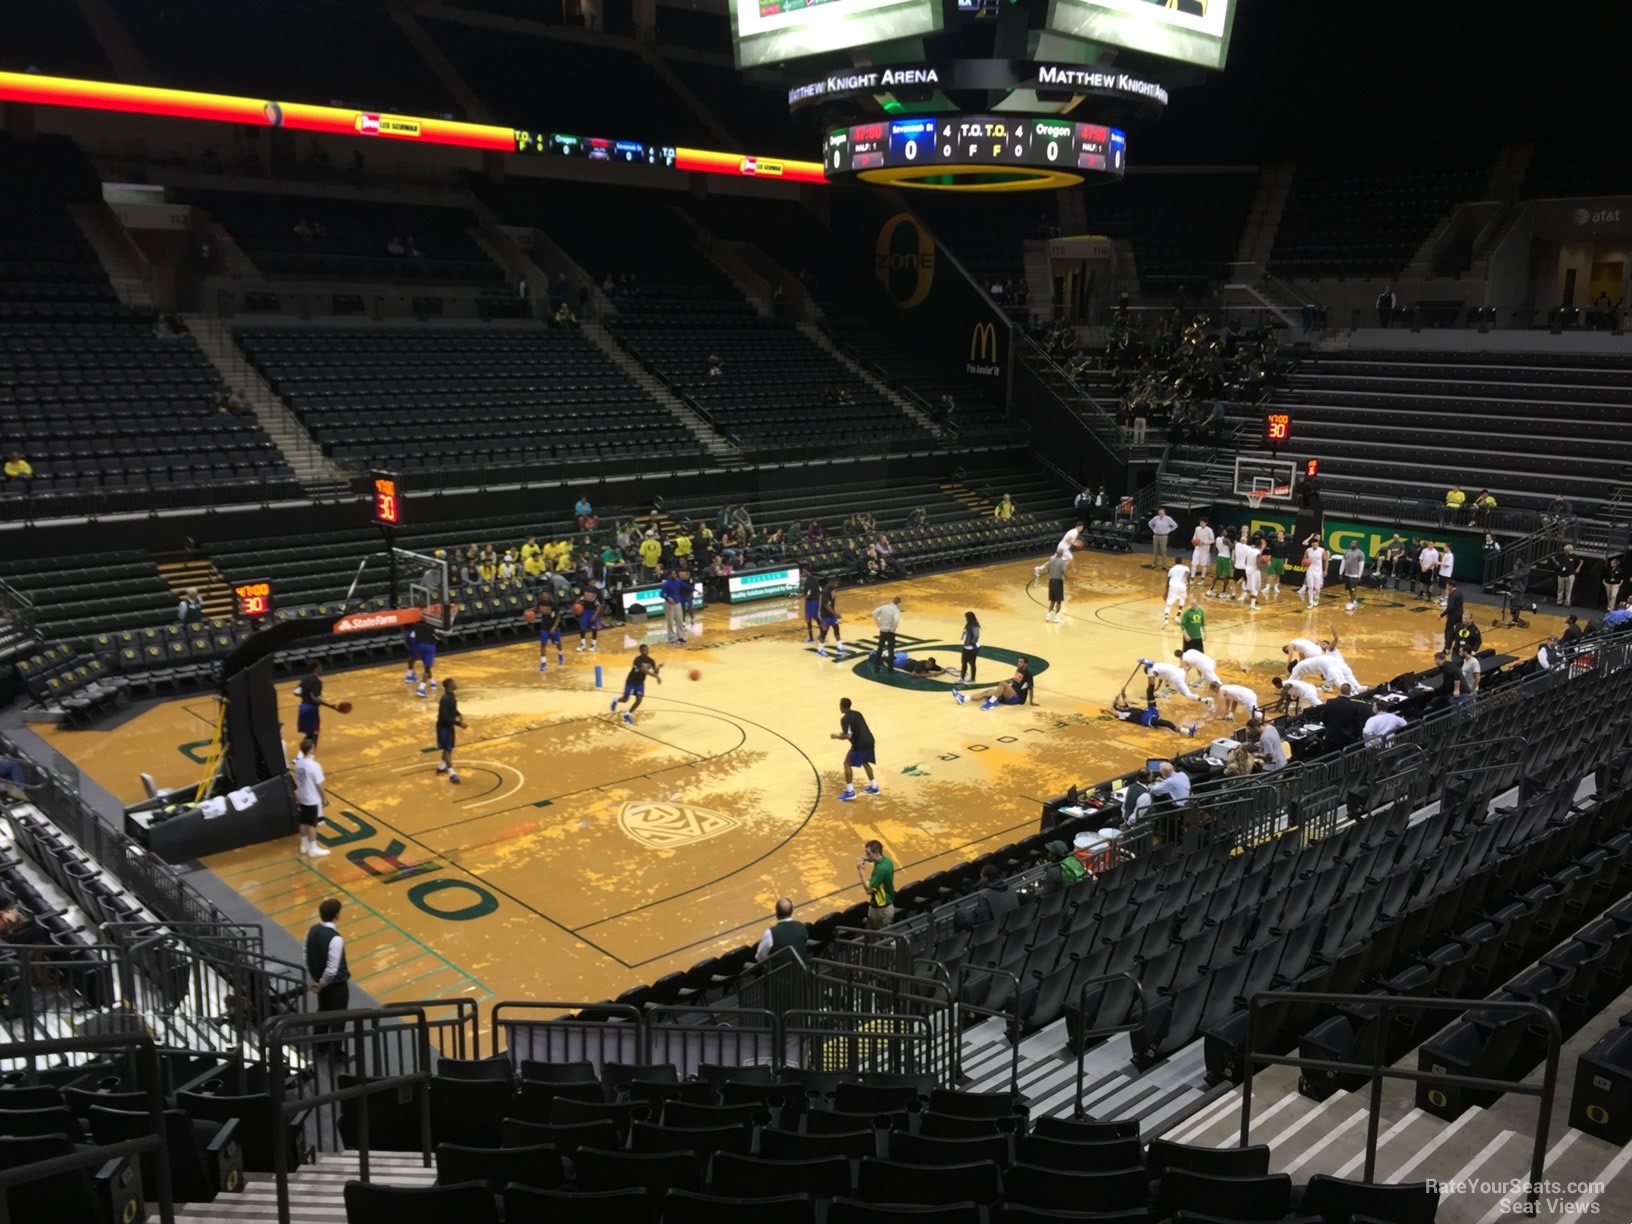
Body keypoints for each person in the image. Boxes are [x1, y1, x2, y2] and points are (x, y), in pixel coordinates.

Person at [305, 898, 350, 1048]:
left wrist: (314, 979)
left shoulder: (312, 930)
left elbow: (306, 954)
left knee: (323, 1012)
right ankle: (336, 1051)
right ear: (336, 915)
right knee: (338, 1019)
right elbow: (332, 969)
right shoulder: (335, 938)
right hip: (335, 985)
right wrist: (322, 984)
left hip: (319, 980)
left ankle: (320, 1045)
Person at [833, 699, 878, 801]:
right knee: (865, 762)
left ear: (842, 706)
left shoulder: (844, 719)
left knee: (847, 764)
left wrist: (836, 736)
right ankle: (874, 787)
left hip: (859, 744)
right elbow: (856, 728)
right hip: (870, 739)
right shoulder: (858, 713)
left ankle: (850, 792)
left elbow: (847, 735)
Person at [292, 737, 330, 858]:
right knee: (312, 824)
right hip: (312, 798)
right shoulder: (314, 766)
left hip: (302, 795)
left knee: (303, 821)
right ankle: (313, 849)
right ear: (311, 750)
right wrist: (324, 798)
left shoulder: (298, 763)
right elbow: (319, 784)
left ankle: (304, 845)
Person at [1110, 681, 1192, 735]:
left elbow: (1124, 697)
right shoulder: (1121, 714)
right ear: (1117, 706)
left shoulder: (1127, 708)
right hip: (1147, 719)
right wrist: (1114, 700)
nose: (1121, 701)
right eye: (1119, 702)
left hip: (1150, 711)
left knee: (1150, 694)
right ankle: (1187, 731)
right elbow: (1110, 709)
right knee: (1167, 723)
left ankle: (1150, 677)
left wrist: (1122, 691)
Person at [954, 865, 1020, 931]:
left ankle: (960, 939)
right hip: (1012, 922)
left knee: (959, 911)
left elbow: (982, 919)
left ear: (985, 878)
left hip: (994, 928)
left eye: (981, 877)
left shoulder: (984, 894)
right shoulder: (1010, 887)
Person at [294, 661, 342, 750]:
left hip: (303, 707)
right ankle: (308, 755)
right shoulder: (316, 681)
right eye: (320, 667)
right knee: (314, 733)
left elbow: (296, 692)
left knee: (309, 734)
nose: (322, 669)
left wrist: (305, 695)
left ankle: (300, 757)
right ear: (316, 668)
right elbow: (315, 699)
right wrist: (330, 706)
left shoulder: (305, 679)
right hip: (311, 709)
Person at [610, 644, 661, 724]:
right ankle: (615, 700)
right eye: (644, 650)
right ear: (640, 651)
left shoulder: (651, 661)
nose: (646, 652)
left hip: (640, 682)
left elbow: (655, 672)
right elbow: (644, 670)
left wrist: (657, 668)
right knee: (625, 699)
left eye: (647, 650)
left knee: (639, 700)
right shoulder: (637, 660)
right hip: (631, 681)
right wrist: (656, 677)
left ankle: (627, 714)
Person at [754, 898, 808, 964]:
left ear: (776, 913)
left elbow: (760, 957)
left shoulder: (770, 933)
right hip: (801, 971)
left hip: (779, 973)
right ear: (792, 911)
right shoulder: (801, 926)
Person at [433, 678, 466, 783]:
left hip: (448, 726)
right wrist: (459, 724)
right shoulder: (445, 699)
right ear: (449, 686)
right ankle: (452, 774)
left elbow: (452, 709)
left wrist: (458, 714)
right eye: (453, 683)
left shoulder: (451, 696)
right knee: (448, 750)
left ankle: (441, 768)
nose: (455, 684)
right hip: (444, 728)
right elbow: (445, 717)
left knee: (448, 748)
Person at [857, 839, 895, 928]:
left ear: (877, 853)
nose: (866, 856)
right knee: (883, 935)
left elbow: (869, 890)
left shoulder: (880, 869)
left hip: (880, 908)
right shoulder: (887, 861)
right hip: (887, 904)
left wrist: (861, 872)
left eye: (868, 854)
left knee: (877, 936)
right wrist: (869, 859)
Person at [815, 580, 848, 658]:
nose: (837, 583)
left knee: (836, 628)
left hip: (831, 615)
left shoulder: (832, 589)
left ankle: (839, 647)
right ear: (831, 582)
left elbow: (831, 603)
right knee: (824, 632)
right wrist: (835, 614)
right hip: (825, 615)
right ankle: (820, 650)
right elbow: (826, 605)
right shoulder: (825, 591)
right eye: (836, 582)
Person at [872, 596, 903, 673]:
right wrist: (892, 630)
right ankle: (890, 669)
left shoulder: (884, 607)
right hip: (890, 632)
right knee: (891, 650)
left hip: (882, 631)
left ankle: (876, 667)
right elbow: (896, 621)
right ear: (899, 603)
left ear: (892, 600)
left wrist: (878, 624)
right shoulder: (896, 610)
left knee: (880, 648)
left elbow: (874, 613)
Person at [536, 592, 565, 671]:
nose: (544, 596)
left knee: (558, 644)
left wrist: (554, 627)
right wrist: (529, 612)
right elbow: (537, 610)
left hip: (553, 627)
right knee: (543, 645)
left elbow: (558, 617)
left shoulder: (553, 604)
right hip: (544, 627)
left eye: (545, 594)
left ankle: (560, 655)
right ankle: (543, 663)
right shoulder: (540, 603)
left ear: (548, 595)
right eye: (542, 595)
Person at [660, 570, 688, 645]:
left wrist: (694, 589)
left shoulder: (678, 581)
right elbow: (661, 594)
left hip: (677, 603)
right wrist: (667, 598)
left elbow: (686, 586)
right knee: (670, 622)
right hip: (669, 605)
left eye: (675, 573)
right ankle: (671, 638)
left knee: (680, 620)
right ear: (669, 575)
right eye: (673, 574)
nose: (675, 575)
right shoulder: (666, 583)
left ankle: (680, 637)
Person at [1207, 530, 1236, 600]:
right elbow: (1232, 547)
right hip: (1225, 558)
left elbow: (1214, 550)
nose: (1226, 532)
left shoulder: (1217, 539)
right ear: (1222, 532)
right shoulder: (1226, 539)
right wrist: (1236, 543)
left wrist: (1219, 554)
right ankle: (1223, 592)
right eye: (1225, 531)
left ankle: (1210, 590)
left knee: (1217, 575)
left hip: (1219, 557)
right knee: (1226, 576)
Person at [1043, 548, 1070, 623]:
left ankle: (1048, 616)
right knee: (1059, 600)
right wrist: (1070, 580)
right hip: (1058, 582)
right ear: (1061, 554)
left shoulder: (1051, 560)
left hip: (1051, 581)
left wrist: (1051, 574)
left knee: (1052, 600)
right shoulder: (1062, 562)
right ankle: (1057, 618)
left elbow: (1048, 569)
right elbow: (1064, 573)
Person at [413, 622, 439, 699]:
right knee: (427, 668)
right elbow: (438, 635)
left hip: (419, 646)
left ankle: (432, 682)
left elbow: (413, 636)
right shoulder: (432, 624)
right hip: (429, 646)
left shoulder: (415, 624)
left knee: (426, 667)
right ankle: (421, 689)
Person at [1162, 559, 1190, 626]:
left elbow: (1168, 581)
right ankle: (1177, 618)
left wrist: (1166, 592)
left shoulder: (1171, 569)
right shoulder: (1186, 568)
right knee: (1181, 603)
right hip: (1182, 587)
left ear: (1175, 562)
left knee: (1168, 604)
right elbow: (1188, 575)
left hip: (1173, 587)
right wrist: (1189, 585)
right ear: (1181, 562)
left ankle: (1166, 620)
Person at [1302, 535, 1327, 609]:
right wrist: (1304, 564)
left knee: (1317, 588)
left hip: (1318, 571)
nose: (1315, 545)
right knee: (1310, 587)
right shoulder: (1308, 550)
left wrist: (1325, 570)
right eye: (1313, 544)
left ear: (1318, 544)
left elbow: (1326, 561)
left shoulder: (1322, 550)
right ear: (1311, 544)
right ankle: (1310, 602)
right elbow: (1304, 559)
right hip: (1310, 570)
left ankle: (1317, 597)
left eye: (1316, 544)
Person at [576, 582, 602, 653]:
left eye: (594, 582)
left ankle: (593, 644)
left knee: (594, 629)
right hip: (586, 611)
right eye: (591, 582)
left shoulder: (597, 592)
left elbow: (599, 605)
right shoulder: (585, 590)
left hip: (594, 611)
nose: (592, 584)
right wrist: (576, 605)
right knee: (582, 628)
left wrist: (595, 615)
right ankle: (583, 644)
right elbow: (579, 599)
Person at [1440, 579, 1465, 652]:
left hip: (1452, 617)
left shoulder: (1452, 595)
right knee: (1457, 633)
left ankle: (1446, 649)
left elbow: (1450, 608)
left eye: (1447, 585)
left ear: (1450, 586)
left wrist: (1442, 615)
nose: (1447, 587)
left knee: (1448, 633)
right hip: (1460, 616)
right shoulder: (1460, 593)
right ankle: (1458, 648)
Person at [1340, 541, 1366, 611]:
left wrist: (1359, 575)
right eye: (1351, 543)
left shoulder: (1361, 553)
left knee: (1353, 589)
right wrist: (1341, 572)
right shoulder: (1347, 552)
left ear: (1357, 545)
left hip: (1354, 575)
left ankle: (1352, 604)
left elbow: (1361, 565)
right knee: (1349, 589)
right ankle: (1353, 601)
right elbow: (1343, 562)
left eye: (1354, 543)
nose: (1352, 544)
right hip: (1347, 574)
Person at [959, 611, 981, 682]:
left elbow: (976, 636)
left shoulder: (975, 626)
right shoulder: (968, 624)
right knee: (964, 662)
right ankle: (962, 677)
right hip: (966, 647)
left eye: (966, 617)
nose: (965, 618)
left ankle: (972, 678)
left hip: (972, 648)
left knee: (972, 663)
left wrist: (971, 643)